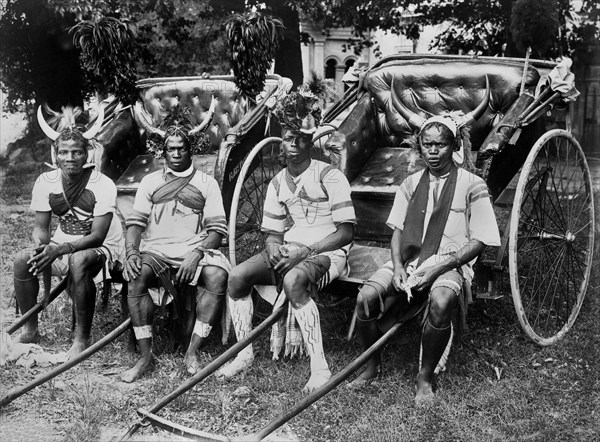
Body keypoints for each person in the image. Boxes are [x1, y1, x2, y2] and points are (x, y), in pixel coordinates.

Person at [350, 87, 500, 404]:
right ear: (420, 146)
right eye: (427, 145)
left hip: (450, 262)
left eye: (440, 145)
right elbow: (396, 232)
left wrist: (440, 268)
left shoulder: (473, 185)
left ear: (455, 146)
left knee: (443, 299)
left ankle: (424, 378)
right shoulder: (408, 184)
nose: (433, 152)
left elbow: (479, 240)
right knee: (365, 297)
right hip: (409, 261)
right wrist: (400, 269)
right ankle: (371, 366)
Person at [217, 89, 356, 393]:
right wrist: (275, 251)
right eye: (288, 139)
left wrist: (306, 251)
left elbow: (346, 233)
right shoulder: (278, 182)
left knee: (294, 280)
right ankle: (244, 353)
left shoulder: (330, 176)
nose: (292, 146)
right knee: (238, 276)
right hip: (291, 248)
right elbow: (272, 233)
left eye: (300, 140)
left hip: (328, 252)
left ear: (310, 142)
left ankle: (320, 367)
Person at [121, 102, 230, 382]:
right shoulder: (149, 182)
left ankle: (192, 351)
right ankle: (146, 357)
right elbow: (135, 224)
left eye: (182, 148)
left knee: (217, 276)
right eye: (172, 148)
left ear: (190, 149)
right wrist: (132, 252)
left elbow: (216, 231)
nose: (177, 153)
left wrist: (198, 252)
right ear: (163, 151)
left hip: (194, 249)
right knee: (135, 277)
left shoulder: (207, 184)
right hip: (155, 251)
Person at [13, 105, 124, 359]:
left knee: (78, 259)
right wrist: (42, 246)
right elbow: (41, 228)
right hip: (62, 242)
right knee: (22, 260)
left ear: (88, 153)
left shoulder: (103, 184)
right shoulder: (45, 182)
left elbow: (97, 236)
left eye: (77, 152)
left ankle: (81, 339)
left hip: (103, 246)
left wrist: (59, 249)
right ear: (56, 155)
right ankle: (31, 329)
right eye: (64, 152)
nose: (70, 158)